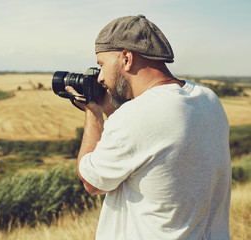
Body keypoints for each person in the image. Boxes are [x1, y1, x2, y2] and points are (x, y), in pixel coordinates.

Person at [66, 15, 231, 240]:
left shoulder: (134, 117)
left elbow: (92, 182)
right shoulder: (208, 99)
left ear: (126, 58)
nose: (101, 78)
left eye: (102, 65)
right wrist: (111, 110)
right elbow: (147, 140)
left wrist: (93, 113)